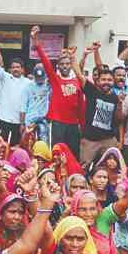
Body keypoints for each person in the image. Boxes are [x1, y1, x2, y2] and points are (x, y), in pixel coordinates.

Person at [33, 27, 85, 157]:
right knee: (56, 153)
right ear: (58, 66)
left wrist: (82, 125)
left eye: (67, 64)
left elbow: (81, 106)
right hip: (57, 123)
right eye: (62, 64)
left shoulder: (77, 81)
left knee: (73, 155)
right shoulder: (55, 80)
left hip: (73, 124)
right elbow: (45, 61)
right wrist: (35, 40)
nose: (65, 66)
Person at [73, 42, 123, 165]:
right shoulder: (92, 91)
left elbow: (119, 120)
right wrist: (72, 57)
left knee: (111, 167)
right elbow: (79, 74)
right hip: (90, 141)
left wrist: (120, 104)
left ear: (114, 81)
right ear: (98, 81)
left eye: (110, 80)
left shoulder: (115, 98)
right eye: (103, 79)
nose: (106, 82)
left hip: (108, 140)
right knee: (84, 167)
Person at [0, 38, 32, 144]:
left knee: (16, 147)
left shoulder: (28, 83)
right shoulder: (5, 78)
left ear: (22, 69)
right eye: (13, 67)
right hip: (4, 120)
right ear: (10, 69)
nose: (15, 69)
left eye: (18, 67)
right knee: (1, 146)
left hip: (19, 122)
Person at [25, 63, 52, 142]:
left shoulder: (48, 85)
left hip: (43, 119)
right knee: (29, 143)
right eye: (37, 77)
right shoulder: (28, 86)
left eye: (41, 77)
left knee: (43, 144)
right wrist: (23, 122)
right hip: (30, 119)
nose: (40, 80)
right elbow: (24, 105)